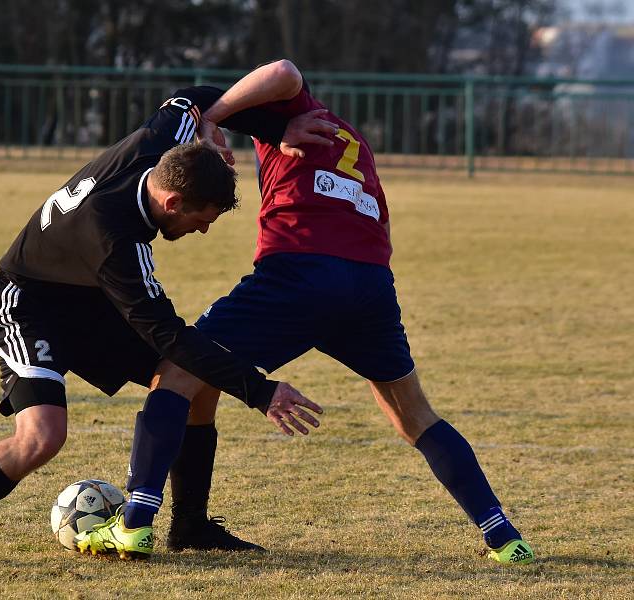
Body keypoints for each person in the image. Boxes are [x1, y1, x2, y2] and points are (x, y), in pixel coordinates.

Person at [0, 80, 328, 566]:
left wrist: (273, 128)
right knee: (42, 437)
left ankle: (191, 524)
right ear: (173, 204)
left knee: (194, 379)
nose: (204, 229)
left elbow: (199, 94)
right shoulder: (115, 242)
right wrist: (260, 392)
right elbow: (167, 334)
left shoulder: (160, 141)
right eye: (202, 219)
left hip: (91, 298)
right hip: (30, 304)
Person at [157, 59, 535, 565]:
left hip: (300, 273)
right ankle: (504, 535)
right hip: (370, 283)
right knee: (414, 416)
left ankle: (150, 519)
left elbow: (282, 70)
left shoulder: (294, 110)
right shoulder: (346, 135)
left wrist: (214, 117)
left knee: (183, 371)